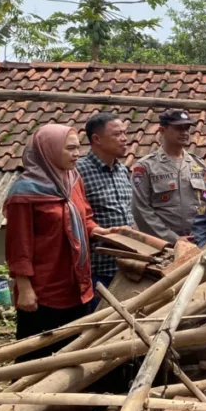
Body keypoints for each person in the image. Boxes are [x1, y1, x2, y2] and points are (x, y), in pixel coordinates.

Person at [4, 124, 117, 351]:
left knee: (75, 349)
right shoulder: (25, 192)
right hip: (44, 289)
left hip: (77, 283)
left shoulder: (73, 180)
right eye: (70, 149)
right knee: (38, 353)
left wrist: (97, 230)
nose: (77, 154)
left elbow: (85, 217)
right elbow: (19, 246)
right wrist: (25, 288)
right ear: (49, 150)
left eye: (78, 148)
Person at [132, 109, 206, 244]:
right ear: (162, 131)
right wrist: (173, 239)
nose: (184, 132)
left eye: (187, 128)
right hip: (161, 246)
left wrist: (199, 231)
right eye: (179, 128)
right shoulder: (146, 167)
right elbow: (140, 210)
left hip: (196, 241)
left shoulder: (199, 165)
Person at [76, 112, 133, 293]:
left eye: (125, 133)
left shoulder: (122, 170)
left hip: (127, 266)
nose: (124, 139)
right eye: (117, 134)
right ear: (96, 139)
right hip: (97, 270)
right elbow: (76, 218)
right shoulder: (78, 171)